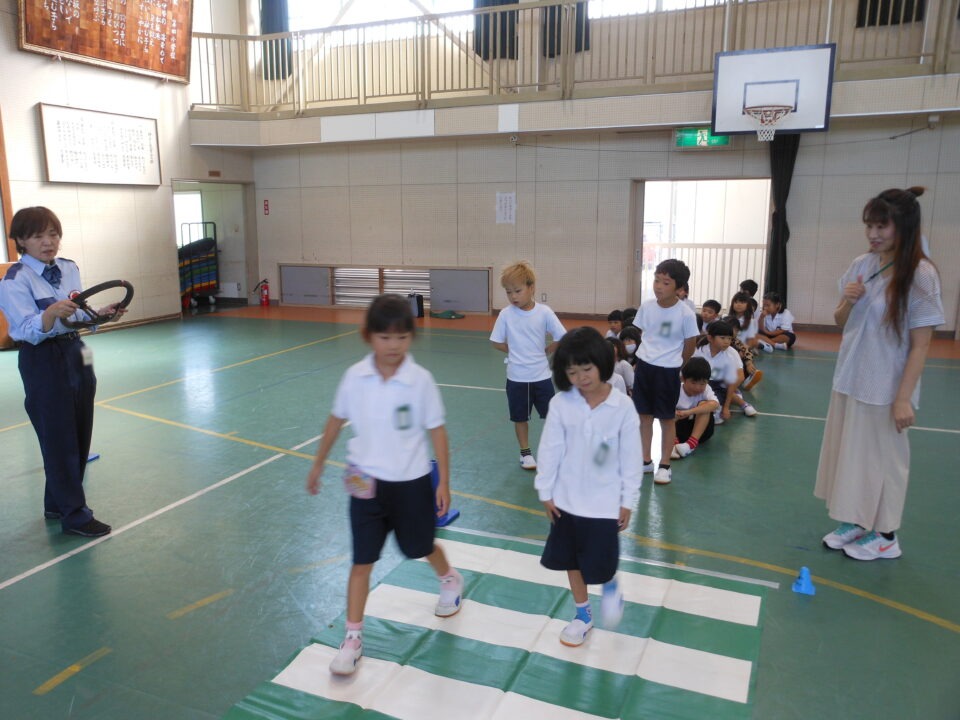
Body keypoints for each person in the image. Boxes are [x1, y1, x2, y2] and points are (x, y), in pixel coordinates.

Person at [306, 294, 464, 674]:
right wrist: (318, 464)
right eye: (385, 337)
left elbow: (437, 431)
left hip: (411, 484)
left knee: (420, 546)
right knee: (362, 561)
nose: (393, 346)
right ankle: (352, 638)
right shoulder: (355, 377)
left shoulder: (420, 381)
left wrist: (444, 482)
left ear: (411, 337)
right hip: (365, 485)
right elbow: (335, 420)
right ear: (368, 336)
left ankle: (450, 578)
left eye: (402, 337)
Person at [815, 187, 943, 561]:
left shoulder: (921, 274)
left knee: (884, 460)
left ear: (903, 226)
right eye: (869, 226)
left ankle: (886, 535)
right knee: (853, 457)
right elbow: (840, 320)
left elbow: (921, 345)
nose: (873, 234)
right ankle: (858, 520)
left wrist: (903, 398)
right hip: (851, 377)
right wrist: (847, 300)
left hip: (887, 387)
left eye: (881, 226)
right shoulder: (863, 263)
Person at [0, 207, 127, 537]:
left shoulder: (69, 268)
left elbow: (78, 315)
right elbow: (24, 330)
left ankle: (56, 503)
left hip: (76, 352)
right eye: (38, 236)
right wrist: (49, 314)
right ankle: (75, 515)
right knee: (59, 439)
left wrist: (102, 313)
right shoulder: (14, 280)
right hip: (42, 359)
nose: (48, 242)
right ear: (21, 241)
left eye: (53, 234)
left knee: (80, 432)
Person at [535, 327, 642, 646]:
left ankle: (609, 584)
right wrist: (545, 491)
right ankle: (583, 614)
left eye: (586, 369)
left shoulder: (622, 407)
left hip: (604, 504)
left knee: (600, 564)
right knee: (571, 561)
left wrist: (628, 500)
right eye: (572, 372)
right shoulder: (561, 404)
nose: (580, 377)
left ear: (602, 363)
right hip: (566, 501)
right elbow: (550, 448)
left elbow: (631, 458)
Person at [490, 261, 567, 470]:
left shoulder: (544, 312)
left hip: (541, 377)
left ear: (531, 288)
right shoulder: (506, 314)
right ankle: (525, 453)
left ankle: (554, 451)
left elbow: (561, 336)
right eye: (508, 292)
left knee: (551, 416)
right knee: (520, 418)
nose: (513, 296)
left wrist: (547, 350)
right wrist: (514, 350)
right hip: (516, 378)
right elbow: (496, 342)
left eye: (517, 291)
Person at [631, 259, 699, 485]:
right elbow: (644, 334)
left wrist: (677, 364)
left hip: (668, 371)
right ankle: (645, 461)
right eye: (656, 280)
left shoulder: (685, 314)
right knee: (644, 416)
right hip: (644, 367)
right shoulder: (647, 307)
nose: (658, 286)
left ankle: (665, 465)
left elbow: (690, 344)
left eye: (666, 283)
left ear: (679, 288)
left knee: (667, 419)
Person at [694, 320, 757, 423]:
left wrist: (726, 407)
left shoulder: (732, 353)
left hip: (721, 384)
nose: (727, 342)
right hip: (701, 382)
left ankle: (742, 403)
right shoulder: (699, 350)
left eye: (729, 338)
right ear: (710, 338)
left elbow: (739, 377)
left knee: (715, 407)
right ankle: (734, 398)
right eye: (722, 338)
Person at [671, 357, 719, 459]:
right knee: (669, 412)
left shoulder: (707, 389)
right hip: (680, 431)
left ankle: (690, 445)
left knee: (704, 405)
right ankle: (673, 444)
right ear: (683, 379)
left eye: (702, 383)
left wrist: (689, 412)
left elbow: (715, 404)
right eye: (693, 382)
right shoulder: (676, 389)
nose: (697, 387)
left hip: (703, 432)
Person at [723, 314, 763, 391]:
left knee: (745, 355)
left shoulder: (735, 340)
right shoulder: (718, 339)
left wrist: (748, 363)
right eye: (734, 329)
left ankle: (749, 376)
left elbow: (746, 350)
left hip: (734, 367)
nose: (735, 332)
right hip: (723, 366)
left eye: (736, 330)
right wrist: (737, 356)